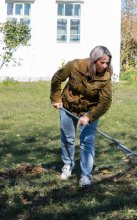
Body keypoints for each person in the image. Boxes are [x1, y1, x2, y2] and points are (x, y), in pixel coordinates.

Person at [50, 46, 113, 187]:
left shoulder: (106, 76)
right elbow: (57, 78)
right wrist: (56, 98)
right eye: (102, 62)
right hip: (68, 107)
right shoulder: (75, 65)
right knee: (67, 138)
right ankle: (68, 165)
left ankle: (85, 175)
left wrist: (90, 117)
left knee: (87, 142)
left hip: (90, 110)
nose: (105, 66)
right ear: (93, 60)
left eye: (107, 63)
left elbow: (105, 102)